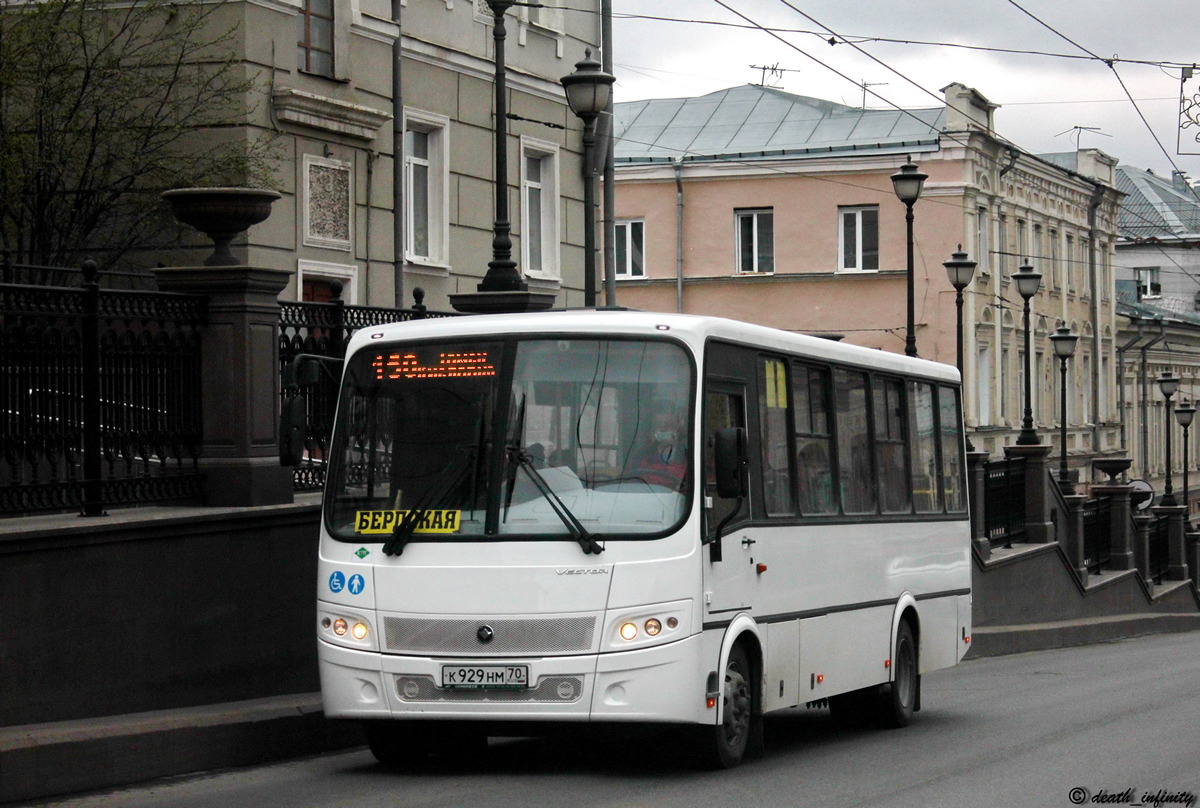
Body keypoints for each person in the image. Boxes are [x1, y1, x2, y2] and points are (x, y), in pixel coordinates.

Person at [631, 410, 687, 488]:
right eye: (659, 425)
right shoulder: (642, 454)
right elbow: (633, 480)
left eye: (668, 426)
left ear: (677, 429)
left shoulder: (687, 455)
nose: (663, 428)